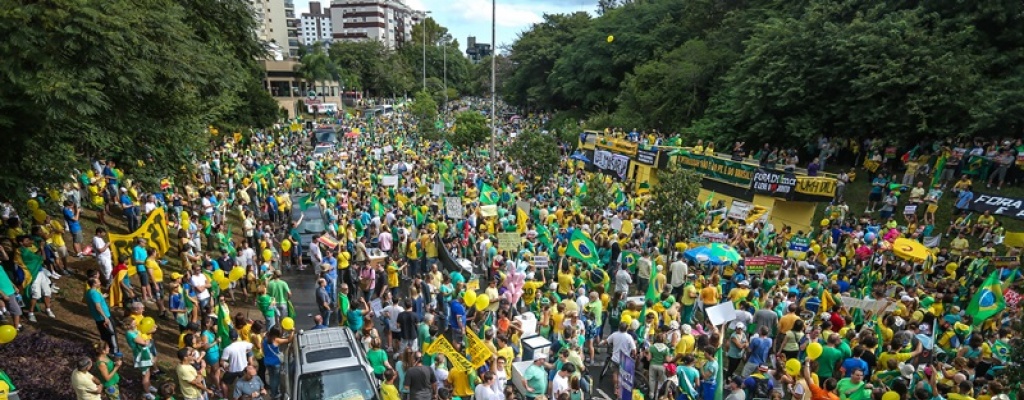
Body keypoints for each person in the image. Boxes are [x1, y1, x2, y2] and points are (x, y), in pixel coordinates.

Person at [85, 277, 119, 355]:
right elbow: (98, 306)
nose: (100, 283)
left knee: (104, 335)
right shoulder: (95, 293)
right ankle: (115, 351)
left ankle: (106, 349)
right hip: (104, 317)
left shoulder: (88, 292)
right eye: (98, 281)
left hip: (97, 318)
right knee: (112, 334)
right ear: (94, 284)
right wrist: (105, 317)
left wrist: (102, 297)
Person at [221, 328, 255, 397]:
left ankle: (225, 397)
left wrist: (226, 366)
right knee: (245, 384)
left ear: (229, 337)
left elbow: (222, 361)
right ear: (238, 336)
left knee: (223, 383)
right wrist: (246, 352)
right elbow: (252, 346)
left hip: (232, 370)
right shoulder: (244, 344)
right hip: (243, 369)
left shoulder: (227, 349)